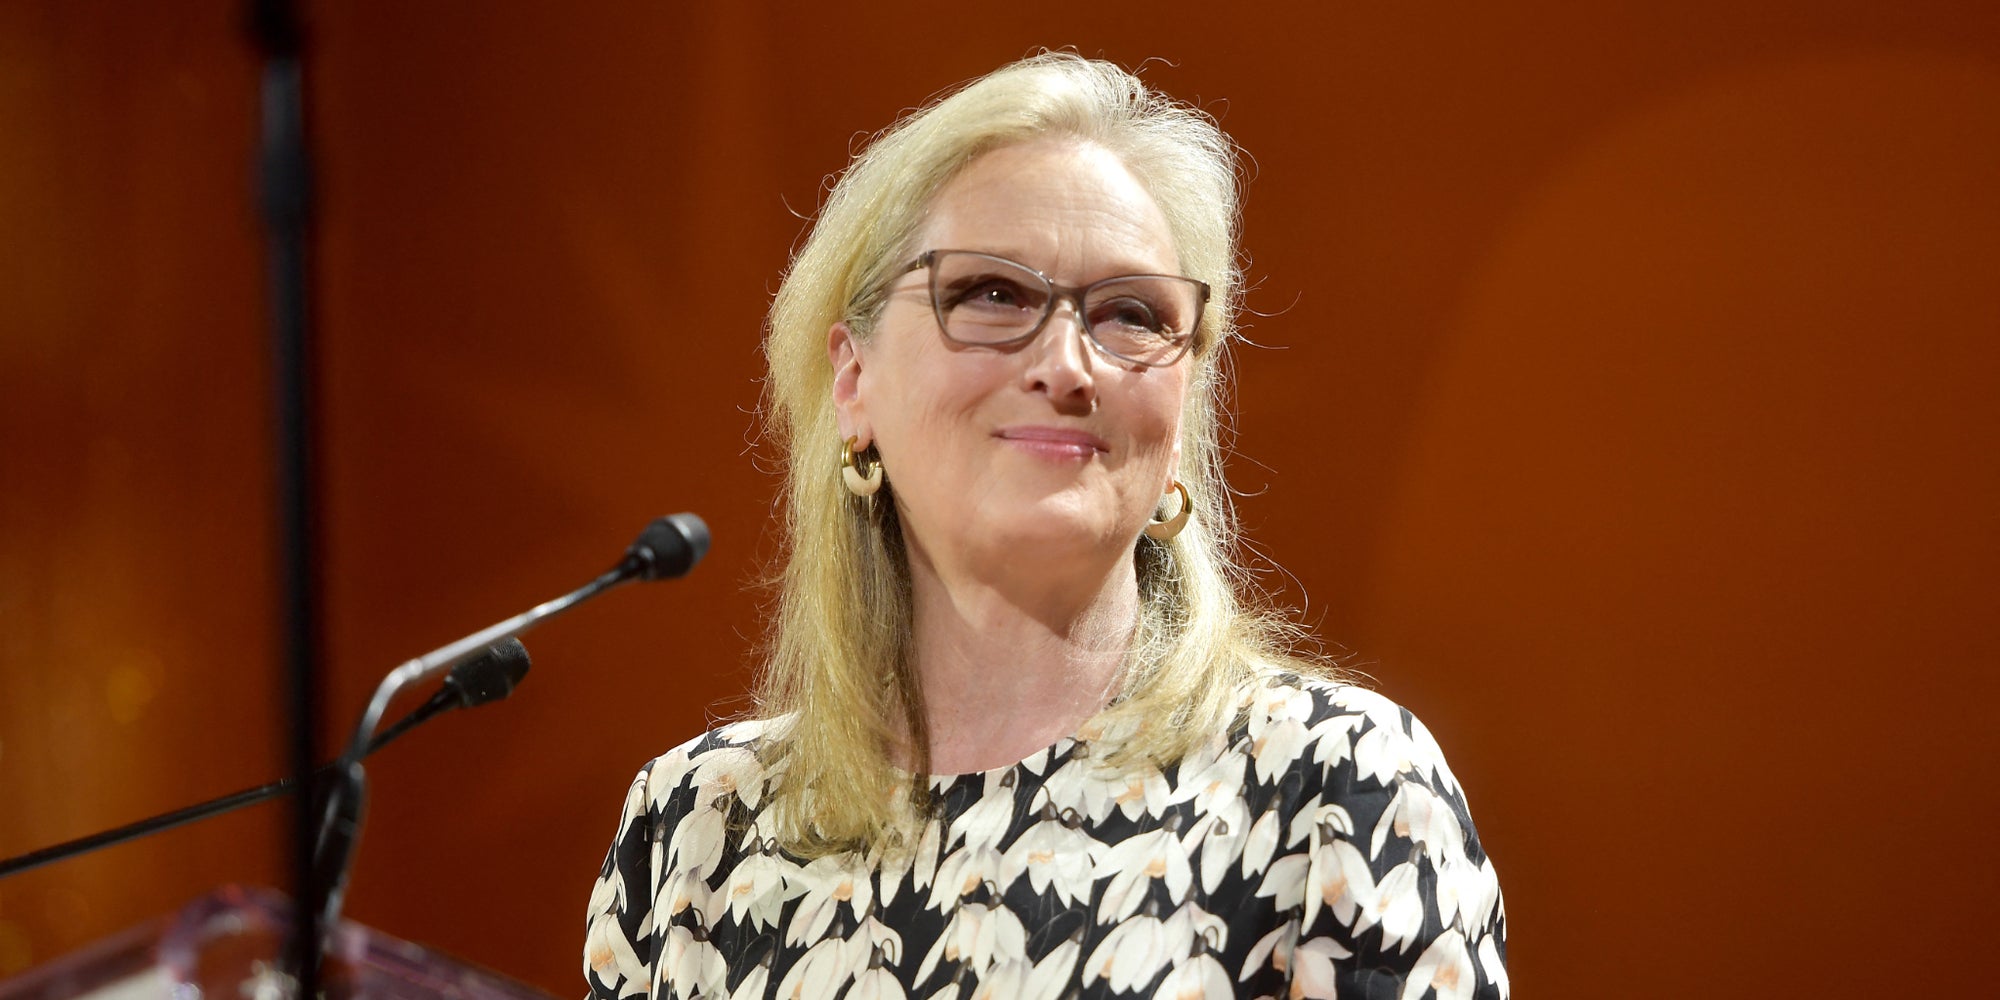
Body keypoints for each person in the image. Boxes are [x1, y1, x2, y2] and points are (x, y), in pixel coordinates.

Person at [584, 53, 1506, 999]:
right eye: (994, 295)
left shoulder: (1334, 788)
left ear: (1182, 414)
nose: (1069, 366)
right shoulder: (697, 827)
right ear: (854, 383)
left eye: (1132, 314)